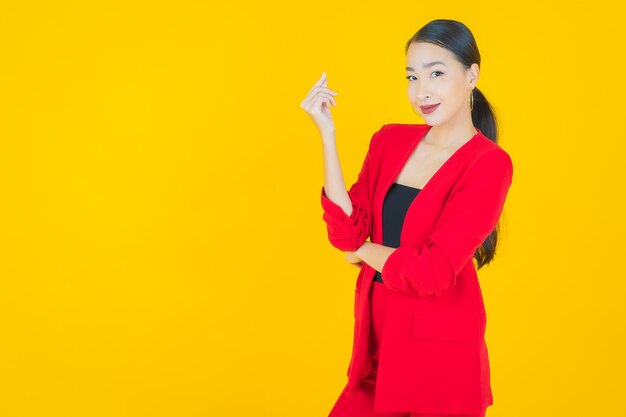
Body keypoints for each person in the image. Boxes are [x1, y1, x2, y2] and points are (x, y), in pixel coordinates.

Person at [300, 19, 513, 417]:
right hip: (376, 341)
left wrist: (364, 251)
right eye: (412, 77)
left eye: (436, 73)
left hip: (440, 360)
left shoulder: (489, 164)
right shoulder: (389, 140)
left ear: (472, 75)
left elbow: (431, 272)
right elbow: (347, 231)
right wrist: (327, 135)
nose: (422, 91)